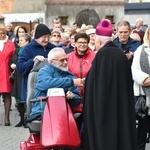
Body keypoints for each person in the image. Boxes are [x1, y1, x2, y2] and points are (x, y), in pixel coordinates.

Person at [83, 19, 137, 150]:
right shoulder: (120, 54)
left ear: (99, 41)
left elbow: (93, 84)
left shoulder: (101, 55)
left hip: (103, 111)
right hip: (121, 107)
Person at [28, 47, 84, 121]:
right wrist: (71, 82)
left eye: (66, 59)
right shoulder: (44, 71)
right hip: (43, 111)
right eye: (62, 60)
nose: (65, 62)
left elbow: (77, 101)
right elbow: (46, 84)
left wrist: (72, 96)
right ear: (51, 61)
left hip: (65, 112)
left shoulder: (70, 75)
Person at [16, 24, 55, 102]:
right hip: (33, 89)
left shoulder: (53, 48)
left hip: (51, 88)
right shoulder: (28, 48)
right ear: (37, 37)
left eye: (48, 37)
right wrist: (33, 61)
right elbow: (20, 68)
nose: (47, 40)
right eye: (44, 37)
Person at [131, 26, 150, 150]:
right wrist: (146, 79)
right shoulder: (141, 50)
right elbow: (134, 70)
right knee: (141, 134)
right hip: (144, 98)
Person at [10, 33, 31, 127]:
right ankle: (21, 120)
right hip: (17, 77)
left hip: (25, 76)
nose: (19, 42)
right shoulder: (17, 50)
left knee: (27, 99)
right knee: (19, 99)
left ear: (28, 41)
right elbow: (12, 60)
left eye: (22, 40)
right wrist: (11, 65)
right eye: (19, 40)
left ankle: (28, 120)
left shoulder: (30, 51)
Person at [0, 24, 16, 126]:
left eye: (2, 33)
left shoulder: (10, 43)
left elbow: (14, 57)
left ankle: (6, 118)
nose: (1, 35)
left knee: (7, 94)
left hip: (6, 70)